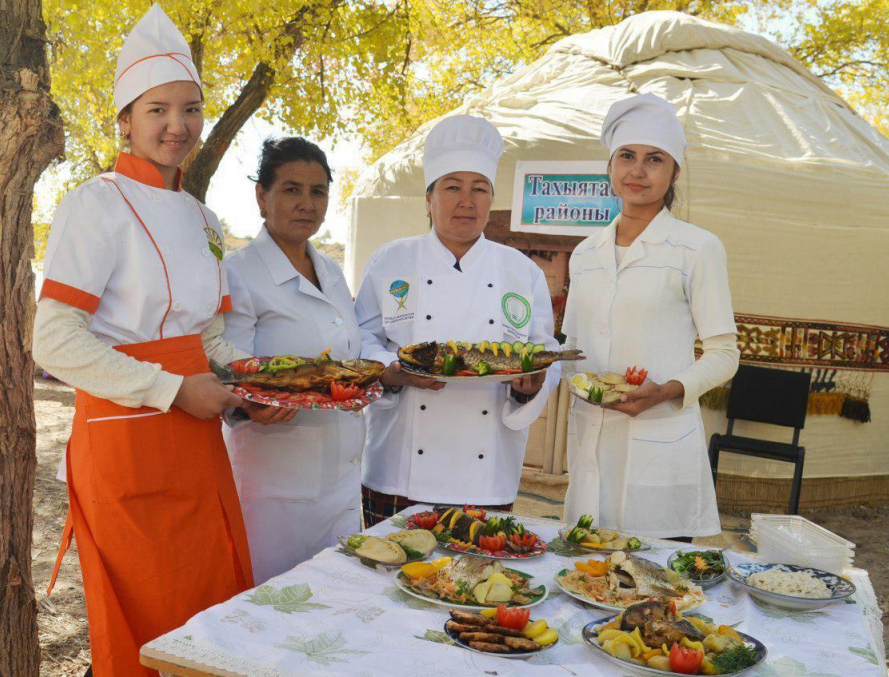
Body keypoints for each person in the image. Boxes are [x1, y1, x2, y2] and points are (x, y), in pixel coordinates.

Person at [35, 6, 262, 675]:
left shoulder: (205, 219)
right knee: (143, 634)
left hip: (197, 444)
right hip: (126, 437)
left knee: (210, 619)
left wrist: (250, 391)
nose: (177, 125)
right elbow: (51, 339)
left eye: (190, 109)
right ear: (125, 120)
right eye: (157, 109)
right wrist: (168, 388)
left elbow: (211, 337)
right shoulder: (93, 205)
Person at [354, 114, 561, 527]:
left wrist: (530, 386)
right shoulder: (390, 260)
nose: (466, 201)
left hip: (484, 477)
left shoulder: (522, 272)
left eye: (479, 189)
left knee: (477, 586)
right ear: (428, 199)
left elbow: (544, 351)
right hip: (398, 468)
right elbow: (360, 338)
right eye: (452, 187)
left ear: (491, 200)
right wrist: (391, 371)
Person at [562, 93, 740, 539]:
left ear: (674, 171)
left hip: (659, 439)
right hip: (590, 442)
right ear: (610, 166)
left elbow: (724, 354)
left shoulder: (697, 248)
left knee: (652, 593)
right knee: (586, 579)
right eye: (627, 156)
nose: (637, 171)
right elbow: (571, 349)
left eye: (654, 159)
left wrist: (666, 392)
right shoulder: (585, 253)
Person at [221, 137, 367, 582]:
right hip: (275, 488)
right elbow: (227, 369)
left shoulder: (333, 272)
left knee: (332, 607)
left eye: (318, 191)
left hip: (342, 484)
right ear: (262, 196)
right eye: (291, 189)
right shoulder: (238, 272)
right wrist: (247, 404)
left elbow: (346, 357)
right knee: (266, 612)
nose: (307, 204)